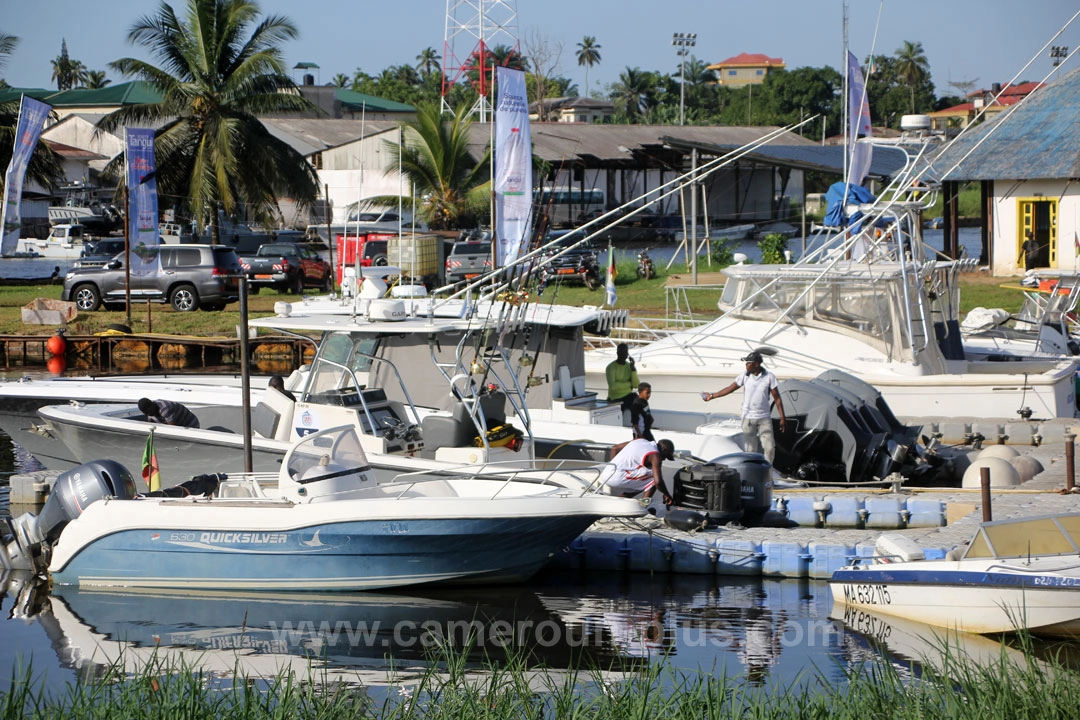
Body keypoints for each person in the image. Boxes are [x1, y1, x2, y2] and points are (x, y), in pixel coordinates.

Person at [702, 351, 787, 464]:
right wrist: (712, 396)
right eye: (746, 363)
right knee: (751, 451)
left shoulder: (769, 377)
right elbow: (730, 388)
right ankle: (752, 473)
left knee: (770, 447)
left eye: (749, 363)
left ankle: (768, 471)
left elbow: (777, 398)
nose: (746, 365)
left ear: (757, 364)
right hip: (748, 418)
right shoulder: (744, 376)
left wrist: (782, 418)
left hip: (764, 418)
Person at [598, 437, 674, 505]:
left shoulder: (640, 440)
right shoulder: (655, 455)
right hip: (616, 478)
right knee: (653, 480)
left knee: (644, 481)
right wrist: (667, 494)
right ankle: (643, 505)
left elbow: (614, 448)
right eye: (666, 456)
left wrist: (614, 466)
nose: (664, 459)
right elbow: (658, 482)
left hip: (607, 471)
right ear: (663, 450)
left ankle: (619, 503)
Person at [605, 343, 639, 419]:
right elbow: (613, 386)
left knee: (638, 401)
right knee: (619, 413)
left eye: (625, 352)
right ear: (617, 353)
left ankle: (639, 425)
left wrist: (633, 369)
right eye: (621, 352)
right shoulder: (611, 367)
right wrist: (629, 385)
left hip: (628, 396)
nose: (623, 354)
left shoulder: (629, 366)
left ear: (627, 354)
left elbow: (636, 385)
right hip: (615, 398)